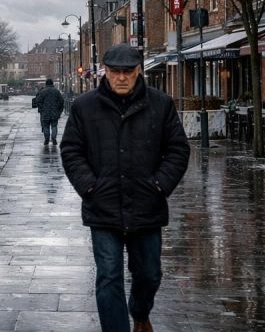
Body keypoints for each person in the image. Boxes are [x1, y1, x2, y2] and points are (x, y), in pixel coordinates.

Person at [59, 44, 190, 332]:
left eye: (127, 72)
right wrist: (90, 187)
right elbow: (71, 150)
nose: (121, 77)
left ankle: (140, 313)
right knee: (108, 276)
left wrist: (159, 185)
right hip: (103, 207)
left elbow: (178, 149)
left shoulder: (160, 104)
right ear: (105, 71)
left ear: (138, 70)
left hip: (147, 205)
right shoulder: (84, 107)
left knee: (149, 275)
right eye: (115, 71)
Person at [32, 78, 64, 145]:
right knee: (54, 126)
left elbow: (38, 101)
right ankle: (53, 138)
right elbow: (61, 101)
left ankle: (46, 139)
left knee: (46, 126)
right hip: (55, 112)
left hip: (45, 112)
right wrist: (59, 110)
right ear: (52, 84)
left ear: (46, 84)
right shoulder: (56, 91)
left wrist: (41, 109)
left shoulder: (43, 92)